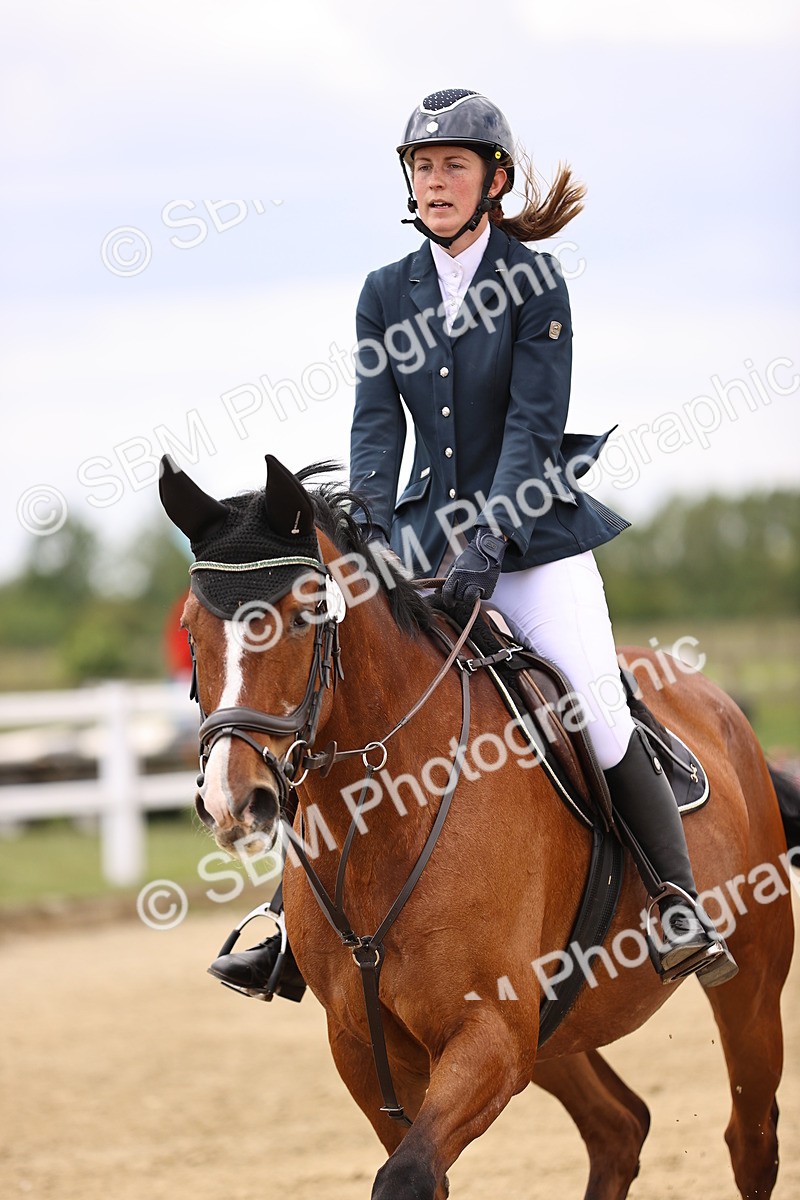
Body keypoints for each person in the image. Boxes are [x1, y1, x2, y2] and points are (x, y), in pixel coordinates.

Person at [209, 87, 738, 997]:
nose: (434, 179)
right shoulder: (386, 292)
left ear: (493, 180)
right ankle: (292, 928)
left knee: (596, 707)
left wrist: (491, 536)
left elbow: (536, 426)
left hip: (532, 540)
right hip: (418, 540)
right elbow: (375, 429)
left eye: (453, 164)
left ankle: (677, 901)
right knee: (341, 704)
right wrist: (369, 522)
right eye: (422, 166)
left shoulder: (535, 282)